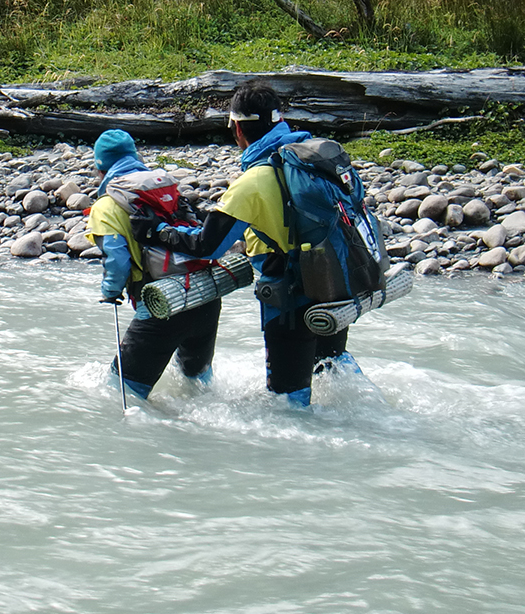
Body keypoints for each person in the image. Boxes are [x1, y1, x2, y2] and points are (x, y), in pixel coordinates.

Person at [137, 82, 363, 407]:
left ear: (237, 128)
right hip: (334, 286)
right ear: (279, 121)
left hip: (289, 304)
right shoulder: (316, 157)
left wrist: (153, 231)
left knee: (289, 403)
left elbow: (207, 247)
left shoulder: (252, 182)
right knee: (331, 367)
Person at [86, 129, 221, 402]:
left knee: (120, 392)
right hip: (206, 296)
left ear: (100, 167)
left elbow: (118, 261)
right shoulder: (166, 186)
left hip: (163, 305)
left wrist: (111, 292)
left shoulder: (107, 205)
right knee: (197, 384)